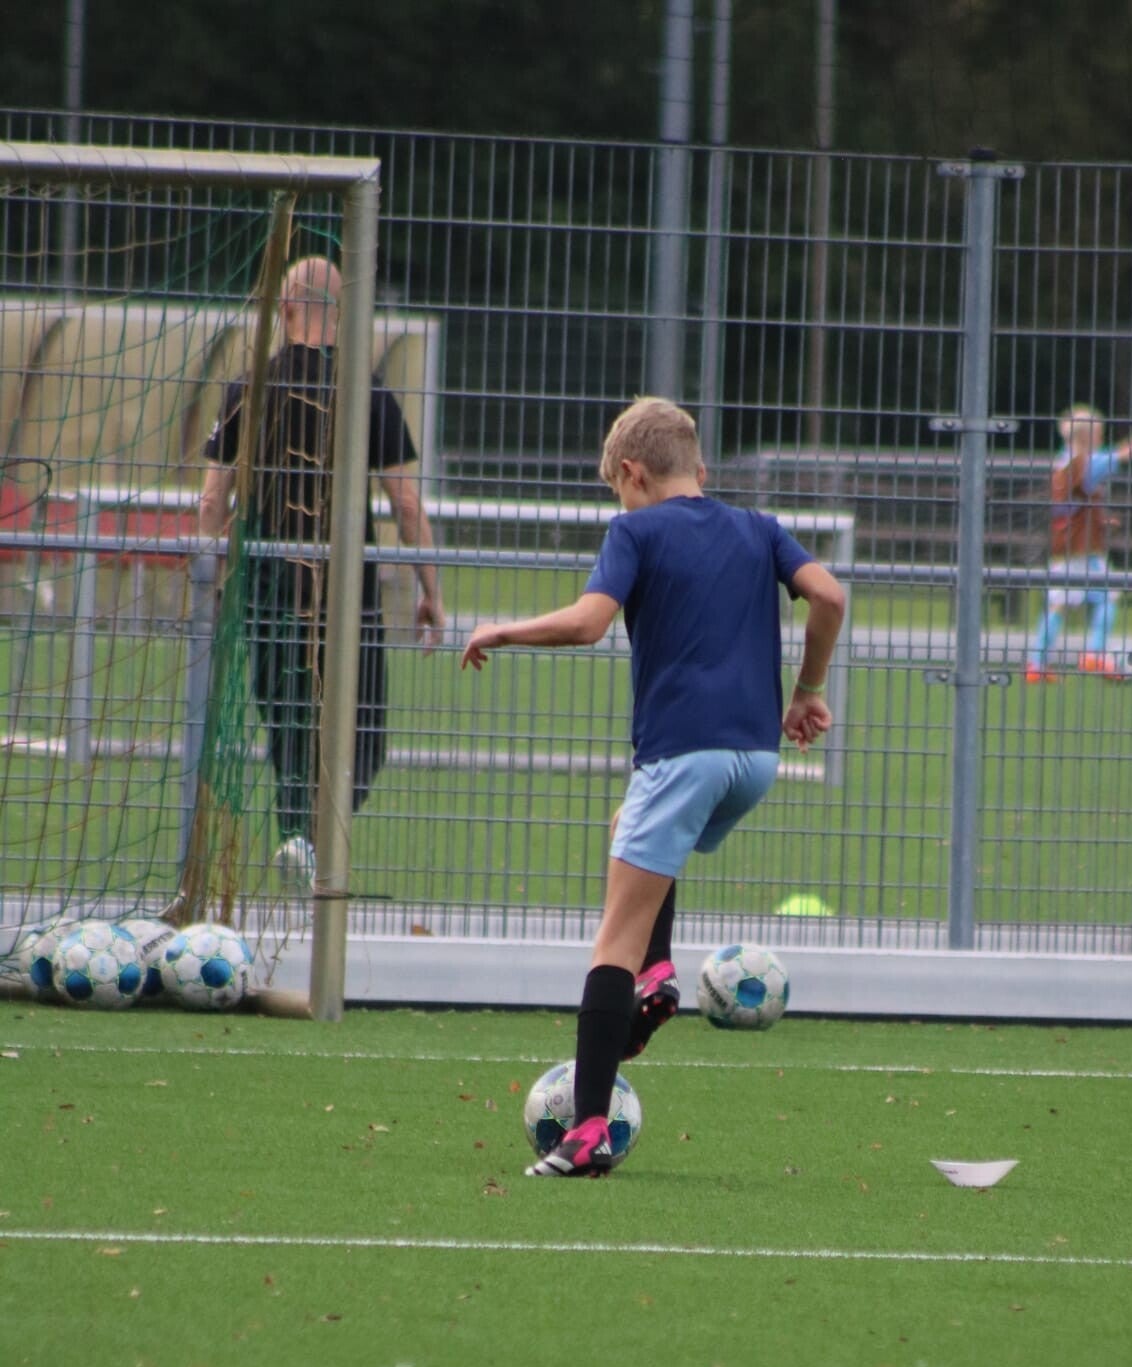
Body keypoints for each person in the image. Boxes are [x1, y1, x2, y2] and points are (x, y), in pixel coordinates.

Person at [460, 396, 847, 1178]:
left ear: (632, 474)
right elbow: (831, 596)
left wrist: (502, 629)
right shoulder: (758, 528)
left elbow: (587, 622)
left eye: (619, 488)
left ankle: (587, 1131)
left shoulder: (634, 531)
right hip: (754, 759)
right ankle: (659, 970)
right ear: (696, 467)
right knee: (629, 830)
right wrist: (807, 690)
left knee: (614, 937)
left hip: (681, 756)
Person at [198, 256, 445, 890]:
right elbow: (407, 505)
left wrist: (217, 574)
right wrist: (431, 592)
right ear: (342, 316)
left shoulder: (247, 389)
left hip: (268, 584)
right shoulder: (365, 392)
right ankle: (310, 837)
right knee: (362, 731)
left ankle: (299, 836)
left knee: (288, 720)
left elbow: (211, 500)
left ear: (284, 310)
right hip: (345, 591)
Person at [1026, 405, 1132, 683]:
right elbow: (1111, 460)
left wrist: (1099, 521)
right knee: (1108, 595)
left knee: (1057, 604)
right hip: (1082, 548)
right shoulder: (1082, 463)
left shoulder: (1062, 462)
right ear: (1086, 436)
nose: (1101, 440)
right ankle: (1094, 653)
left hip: (1064, 546)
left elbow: (1074, 506)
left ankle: (1037, 663)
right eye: (1098, 434)